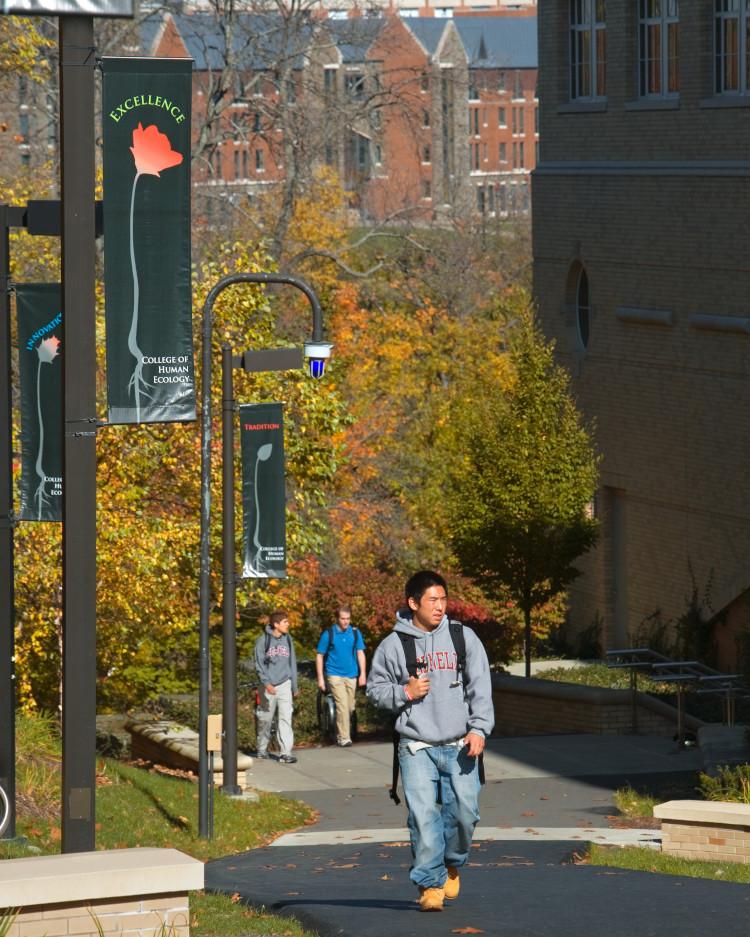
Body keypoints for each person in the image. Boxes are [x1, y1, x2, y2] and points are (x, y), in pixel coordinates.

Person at [366, 570, 494, 913]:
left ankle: (451, 862)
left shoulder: (462, 638)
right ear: (413, 603)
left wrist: (479, 729)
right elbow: (375, 690)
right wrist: (404, 692)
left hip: (459, 745)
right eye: (432, 600)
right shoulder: (394, 644)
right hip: (415, 746)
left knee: (466, 814)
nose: (440, 607)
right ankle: (430, 883)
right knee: (423, 818)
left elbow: (480, 686)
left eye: (444, 599)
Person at [316, 605, 367, 747]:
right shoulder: (329, 634)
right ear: (337, 619)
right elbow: (320, 656)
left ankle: (340, 732)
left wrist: (363, 673)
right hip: (334, 674)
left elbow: (360, 653)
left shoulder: (355, 633)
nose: (346, 622)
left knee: (350, 707)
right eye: (343, 619)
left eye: (348, 619)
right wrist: (321, 678)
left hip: (352, 674)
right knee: (343, 706)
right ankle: (344, 738)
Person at [254, 610, 299, 764]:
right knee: (265, 718)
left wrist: (294, 685)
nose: (288, 624)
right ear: (276, 624)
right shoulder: (263, 641)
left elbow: (292, 662)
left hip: (285, 683)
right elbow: (259, 664)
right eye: (285, 622)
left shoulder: (288, 640)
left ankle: (285, 753)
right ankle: (261, 748)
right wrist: (267, 683)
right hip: (269, 685)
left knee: (286, 717)